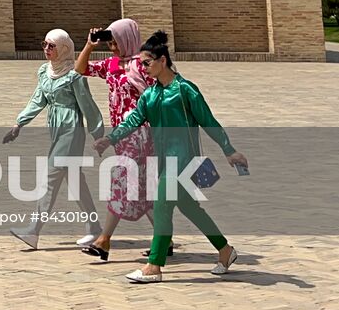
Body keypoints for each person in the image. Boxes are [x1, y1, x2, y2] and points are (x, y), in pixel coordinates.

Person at [96, 31, 248, 283]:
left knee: (161, 205)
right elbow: (133, 120)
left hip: (183, 159)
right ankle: (225, 250)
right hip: (162, 160)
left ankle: (154, 266)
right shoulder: (150, 95)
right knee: (190, 208)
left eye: (147, 63)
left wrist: (229, 149)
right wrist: (110, 138)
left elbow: (209, 121)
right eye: (141, 64)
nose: (143, 68)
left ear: (162, 60)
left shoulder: (185, 90)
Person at [2, 28, 105, 250]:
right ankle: (95, 228)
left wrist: (99, 135)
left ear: (64, 49)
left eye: (52, 46)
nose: (47, 50)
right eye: (45, 45)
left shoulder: (73, 76)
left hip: (71, 131)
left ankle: (33, 231)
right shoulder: (44, 72)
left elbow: (88, 105)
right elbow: (38, 100)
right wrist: (19, 123)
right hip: (56, 130)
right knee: (75, 181)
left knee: (51, 178)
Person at [72, 17, 157, 261]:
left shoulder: (143, 65)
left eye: (115, 42)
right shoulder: (112, 64)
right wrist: (89, 45)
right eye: (109, 43)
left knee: (120, 181)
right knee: (143, 188)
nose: (112, 47)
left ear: (128, 38)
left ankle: (103, 240)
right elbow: (81, 69)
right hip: (120, 134)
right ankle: (165, 237)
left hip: (141, 133)